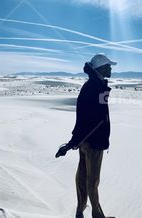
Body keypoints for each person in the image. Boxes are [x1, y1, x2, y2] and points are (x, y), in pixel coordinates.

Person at [55, 53, 115, 218]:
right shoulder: (94, 87)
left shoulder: (96, 86)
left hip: (87, 142)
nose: (111, 69)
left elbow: (98, 115)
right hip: (93, 143)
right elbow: (86, 117)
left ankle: (80, 211)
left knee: (83, 177)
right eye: (108, 66)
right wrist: (74, 141)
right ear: (101, 68)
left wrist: (76, 141)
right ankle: (97, 215)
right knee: (92, 181)